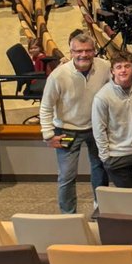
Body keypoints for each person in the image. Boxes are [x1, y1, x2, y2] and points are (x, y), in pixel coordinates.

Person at [39, 29, 109, 214]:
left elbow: (121, 81)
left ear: (94, 51)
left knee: (100, 168)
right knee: (67, 176)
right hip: (66, 130)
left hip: (96, 128)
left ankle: (100, 207)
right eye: (78, 51)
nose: (83, 54)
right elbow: (46, 107)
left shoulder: (105, 67)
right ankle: (68, 216)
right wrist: (48, 135)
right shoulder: (58, 75)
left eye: (87, 50)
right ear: (71, 53)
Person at [91, 51, 132, 189]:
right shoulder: (102, 96)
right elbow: (99, 129)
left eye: (127, 66)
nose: (123, 70)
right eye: (119, 67)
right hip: (117, 153)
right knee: (127, 200)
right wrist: (105, 157)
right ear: (112, 71)